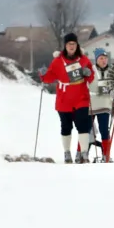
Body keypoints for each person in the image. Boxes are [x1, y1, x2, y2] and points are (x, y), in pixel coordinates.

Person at [40, 32, 95, 163]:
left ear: (77, 45)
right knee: (66, 126)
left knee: (83, 125)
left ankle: (84, 153)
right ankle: (67, 152)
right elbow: (49, 78)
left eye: (74, 44)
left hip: (81, 97)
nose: (72, 46)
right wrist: (43, 74)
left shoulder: (83, 60)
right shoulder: (57, 61)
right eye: (69, 44)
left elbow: (91, 76)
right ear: (65, 46)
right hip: (64, 99)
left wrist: (88, 73)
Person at [87, 48, 114, 162]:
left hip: (105, 104)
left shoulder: (111, 71)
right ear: (96, 59)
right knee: (85, 130)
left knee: (104, 130)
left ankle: (106, 155)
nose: (104, 60)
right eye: (101, 58)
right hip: (91, 103)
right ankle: (82, 154)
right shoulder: (92, 70)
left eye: (105, 58)